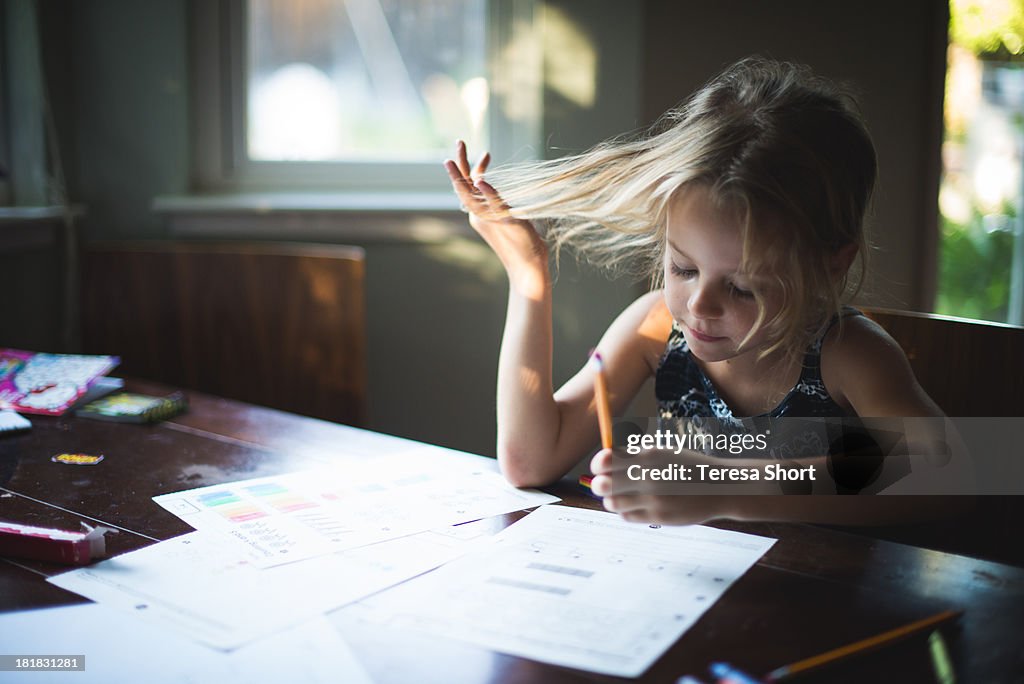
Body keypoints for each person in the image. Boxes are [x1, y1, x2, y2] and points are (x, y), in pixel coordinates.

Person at [444, 57, 948, 526]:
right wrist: (528, 278)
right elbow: (528, 461)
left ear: (832, 265)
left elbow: (944, 473)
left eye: (743, 288)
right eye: (683, 268)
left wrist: (724, 484)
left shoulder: (847, 354)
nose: (699, 306)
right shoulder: (656, 328)